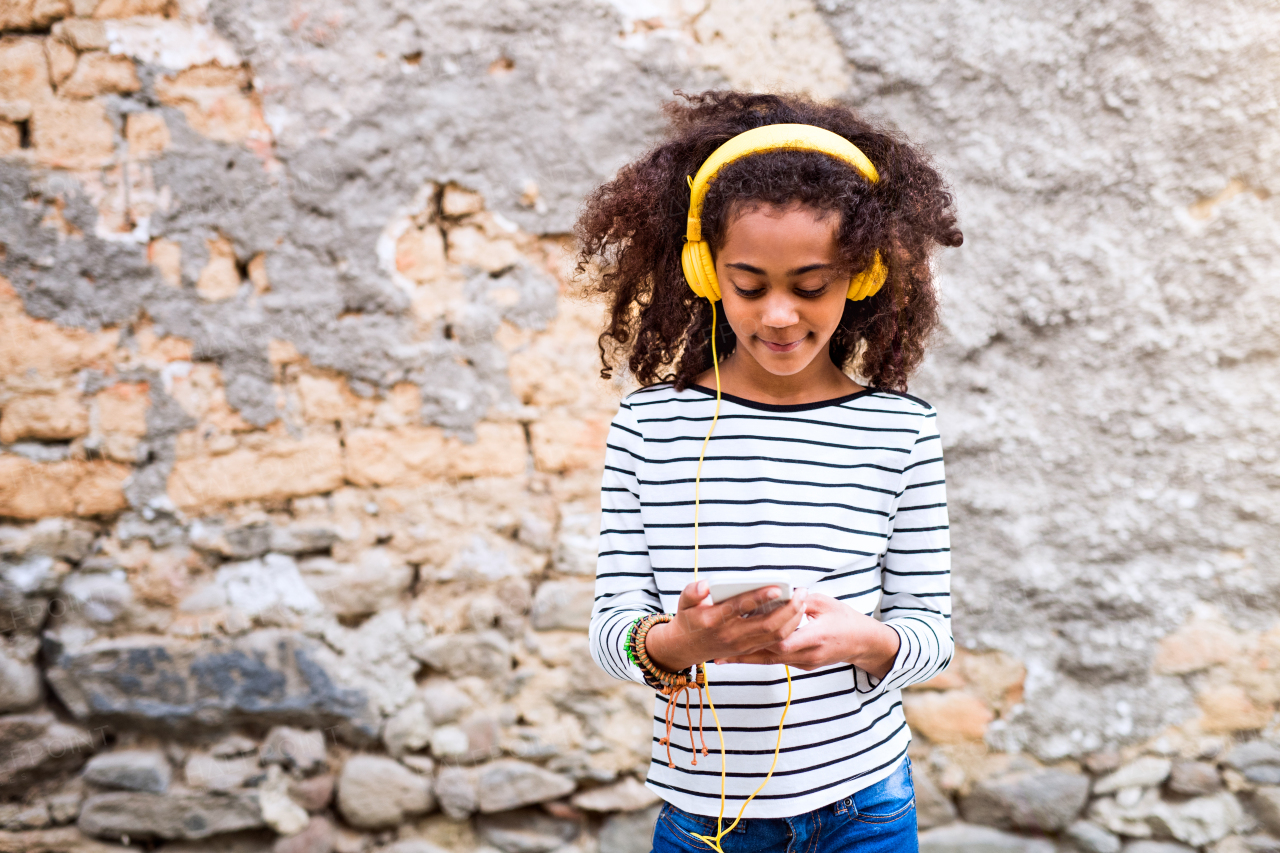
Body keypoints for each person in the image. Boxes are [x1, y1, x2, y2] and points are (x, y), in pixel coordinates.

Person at [577, 90, 963, 853]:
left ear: (862, 273)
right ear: (703, 268)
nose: (780, 314)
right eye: (750, 284)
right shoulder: (648, 427)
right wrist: (675, 642)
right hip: (703, 822)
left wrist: (867, 640)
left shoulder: (902, 432)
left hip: (867, 810)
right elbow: (608, 630)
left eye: (810, 284)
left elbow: (932, 633)